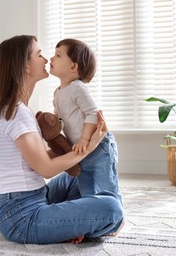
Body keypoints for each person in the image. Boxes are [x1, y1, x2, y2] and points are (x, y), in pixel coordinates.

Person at [0, 35, 124, 244]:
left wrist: (67, 145)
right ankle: (77, 225)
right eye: (39, 55)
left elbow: (38, 158)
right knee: (112, 209)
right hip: (22, 217)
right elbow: (45, 169)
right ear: (25, 66)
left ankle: (72, 224)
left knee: (81, 173)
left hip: (33, 198)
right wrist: (90, 146)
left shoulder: (17, 109)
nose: (46, 59)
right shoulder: (16, 113)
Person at [49, 38, 122, 201]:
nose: (51, 59)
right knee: (86, 188)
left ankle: (116, 216)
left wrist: (84, 139)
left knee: (107, 186)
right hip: (80, 150)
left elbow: (93, 113)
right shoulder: (58, 92)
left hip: (98, 147)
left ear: (73, 67)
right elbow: (60, 119)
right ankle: (96, 214)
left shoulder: (77, 88)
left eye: (58, 55)